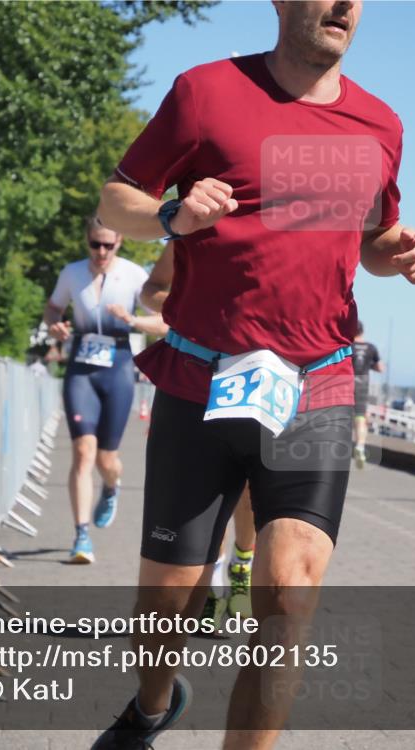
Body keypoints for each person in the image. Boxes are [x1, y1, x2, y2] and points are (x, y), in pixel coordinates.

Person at [94, 1, 415, 747]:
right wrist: (178, 215)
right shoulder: (205, 92)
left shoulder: (381, 125)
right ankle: (150, 708)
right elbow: (117, 200)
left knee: (289, 591)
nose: (344, 4)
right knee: (166, 603)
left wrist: (398, 253)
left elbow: (372, 238)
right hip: (202, 375)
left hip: (318, 380)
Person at [141, 243, 258, 624]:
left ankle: (241, 564)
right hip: (203, 377)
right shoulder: (202, 217)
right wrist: (186, 306)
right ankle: (212, 577)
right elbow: (152, 289)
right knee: (215, 492)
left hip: (270, 381)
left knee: (249, 496)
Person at [43, 218, 166, 564]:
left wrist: (134, 321)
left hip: (118, 367)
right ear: (87, 242)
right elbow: (53, 306)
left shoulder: (134, 275)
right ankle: (81, 537)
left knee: (106, 459)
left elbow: (165, 320)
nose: (100, 253)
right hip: (81, 366)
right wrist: (54, 324)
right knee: (83, 452)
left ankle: (111, 486)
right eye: (94, 245)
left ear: (120, 242)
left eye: (107, 246)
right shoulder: (72, 273)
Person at [351, 320, 384, 468]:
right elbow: (380, 368)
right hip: (362, 385)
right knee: (360, 417)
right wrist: (369, 364)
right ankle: (360, 446)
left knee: (342, 414)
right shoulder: (371, 348)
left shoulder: (348, 346)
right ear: (363, 331)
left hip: (345, 383)